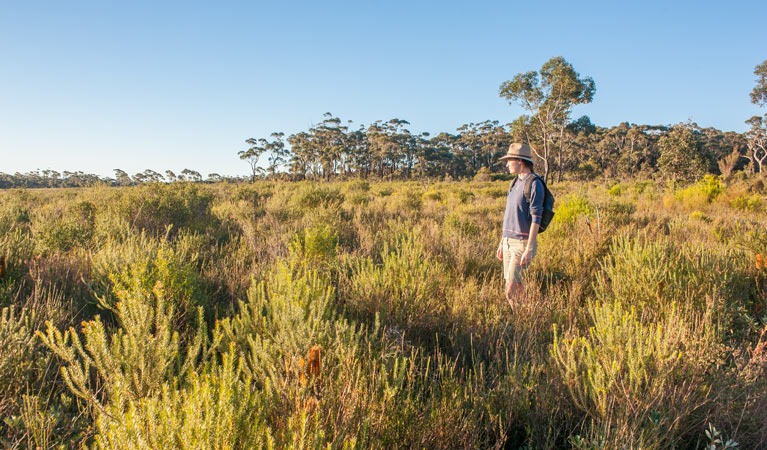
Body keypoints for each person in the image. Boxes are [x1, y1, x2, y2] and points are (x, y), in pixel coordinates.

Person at [495, 143, 544, 307]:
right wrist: (502, 242)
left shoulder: (534, 183)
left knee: (511, 290)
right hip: (508, 242)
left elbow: (537, 217)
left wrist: (529, 248)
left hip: (521, 244)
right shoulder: (514, 183)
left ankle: (522, 320)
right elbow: (509, 214)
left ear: (520, 161)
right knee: (515, 287)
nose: (507, 164)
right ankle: (525, 319)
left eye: (510, 160)